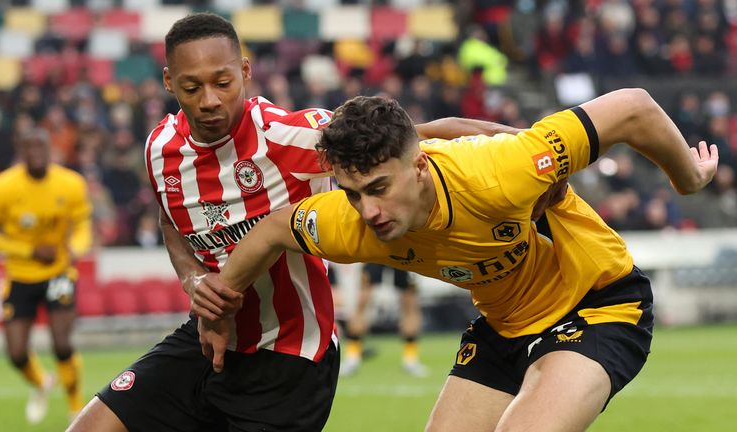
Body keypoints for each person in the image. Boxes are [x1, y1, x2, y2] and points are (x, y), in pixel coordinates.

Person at [68, 12, 523, 432]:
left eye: (223, 82)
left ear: (245, 72)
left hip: (291, 358)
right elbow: (171, 221)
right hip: (207, 340)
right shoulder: (159, 149)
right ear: (168, 81)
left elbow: (420, 134)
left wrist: (531, 152)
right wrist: (192, 280)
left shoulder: (291, 136)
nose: (210, 101)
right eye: (192, 88)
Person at [203, 90, 718, 431]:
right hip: (503, 326)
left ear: (420, 167)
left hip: (597, 305)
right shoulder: (349, 222)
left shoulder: (503, 171)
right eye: (354, 193)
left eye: (380, 188)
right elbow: (270, 231)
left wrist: (688, 179)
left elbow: (633, 107)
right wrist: (220, 311)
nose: (370, 211)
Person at [0, 128, 92, 424]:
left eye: (41, 147)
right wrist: (28, 251)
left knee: (62, 344)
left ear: (49, 149)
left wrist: (76, 248)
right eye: (29, 148)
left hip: (59, 272)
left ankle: (75, 409)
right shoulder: (3, 187)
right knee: (15, 353)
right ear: (21, 152)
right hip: (20, 275)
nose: (36, 153)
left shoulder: (71, 183)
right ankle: (41, 382)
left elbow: (82, 225)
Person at [340, 264, 428, 377]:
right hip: (377, 249)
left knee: (410, 302)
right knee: (363, 299)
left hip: (404, 250)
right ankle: (352, 358)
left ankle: (410, 360)